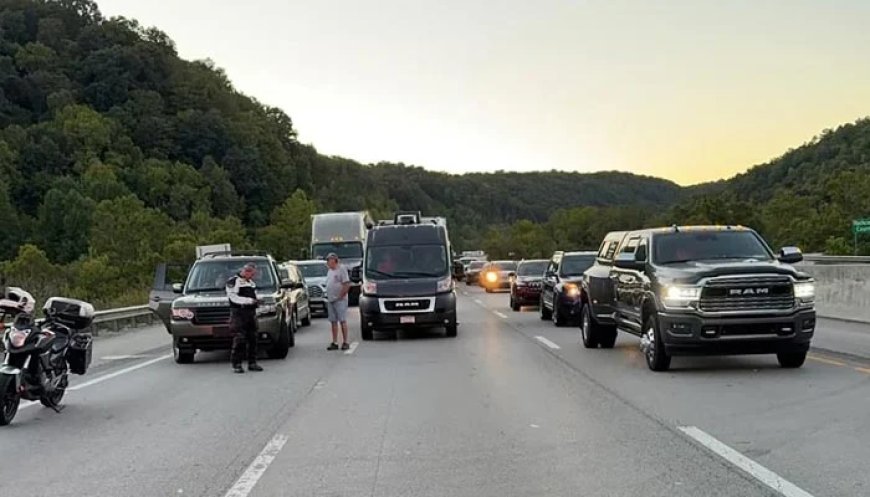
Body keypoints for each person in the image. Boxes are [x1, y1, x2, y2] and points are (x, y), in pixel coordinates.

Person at [226, 263, 263, 374]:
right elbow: (233, 298)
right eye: (252, 274)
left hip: (250, 313)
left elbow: (255, 296)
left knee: (253, 338)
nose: (253, 276)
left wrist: (258, 301)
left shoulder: (251, 283)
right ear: (246, 271)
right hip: (239, 313)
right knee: (240, 338)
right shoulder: (233, 281)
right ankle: (236, 363)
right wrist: (249, 301)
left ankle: (252, 363)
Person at [325, 253, 351, 351]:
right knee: (333, 321)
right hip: (331, 299)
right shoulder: (330, 271)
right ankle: (335, 342)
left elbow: (346, 284)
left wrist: (341, 295)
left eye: (329, 260)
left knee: (342, 320)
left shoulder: (341, 269)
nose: (328, 262)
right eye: (327, 260)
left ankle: (345, 341)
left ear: (334, 260)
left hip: (340, 300)